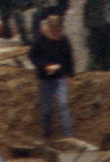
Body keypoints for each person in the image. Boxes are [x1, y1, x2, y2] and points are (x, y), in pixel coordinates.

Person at [29, 11, 75, 139]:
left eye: (58, 31)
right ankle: (46, 136)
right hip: (45, 78)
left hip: (60, 77)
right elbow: (33, 56)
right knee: (46, 109)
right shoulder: (40, 40)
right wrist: (44, 66)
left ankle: (68, 136)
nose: (56, 34)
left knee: (63, 105)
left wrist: (70, 75)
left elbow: (68, 57)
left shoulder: (64, 40)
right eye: (53, 31)